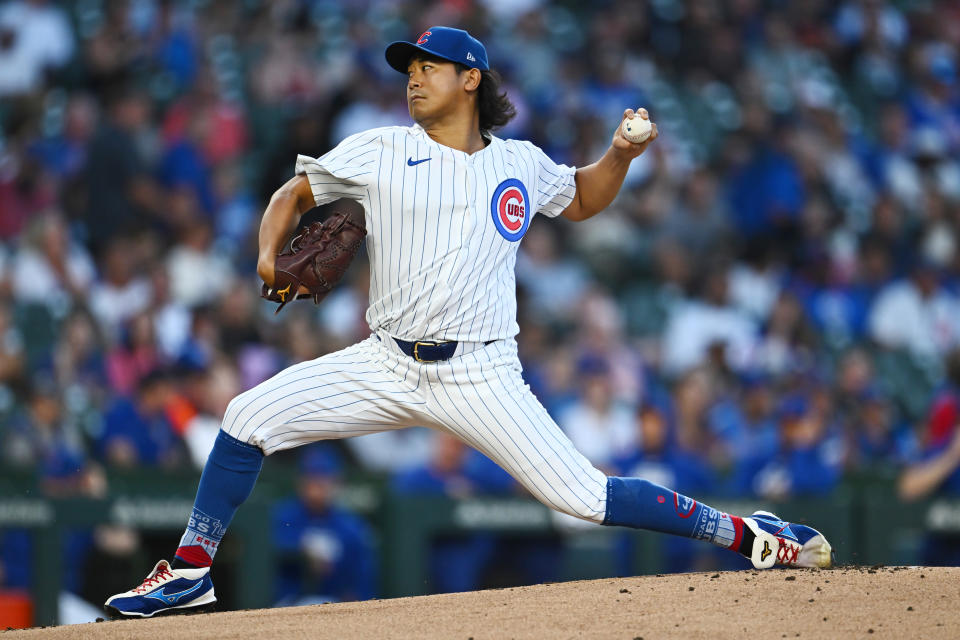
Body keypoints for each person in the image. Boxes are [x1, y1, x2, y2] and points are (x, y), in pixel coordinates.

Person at [104, 26, 832, 619]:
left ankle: (749, 534)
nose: (413, 78)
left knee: (583, 498)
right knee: (245, 415)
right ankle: (192, 567)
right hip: (385, 361)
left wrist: (621, 154)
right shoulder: (381, 148)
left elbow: (580, 200)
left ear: (472, 79)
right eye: (409, 69)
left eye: (430, 67)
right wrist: (268, 259)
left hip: (481, 371)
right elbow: (291, 194)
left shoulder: (517, 163)